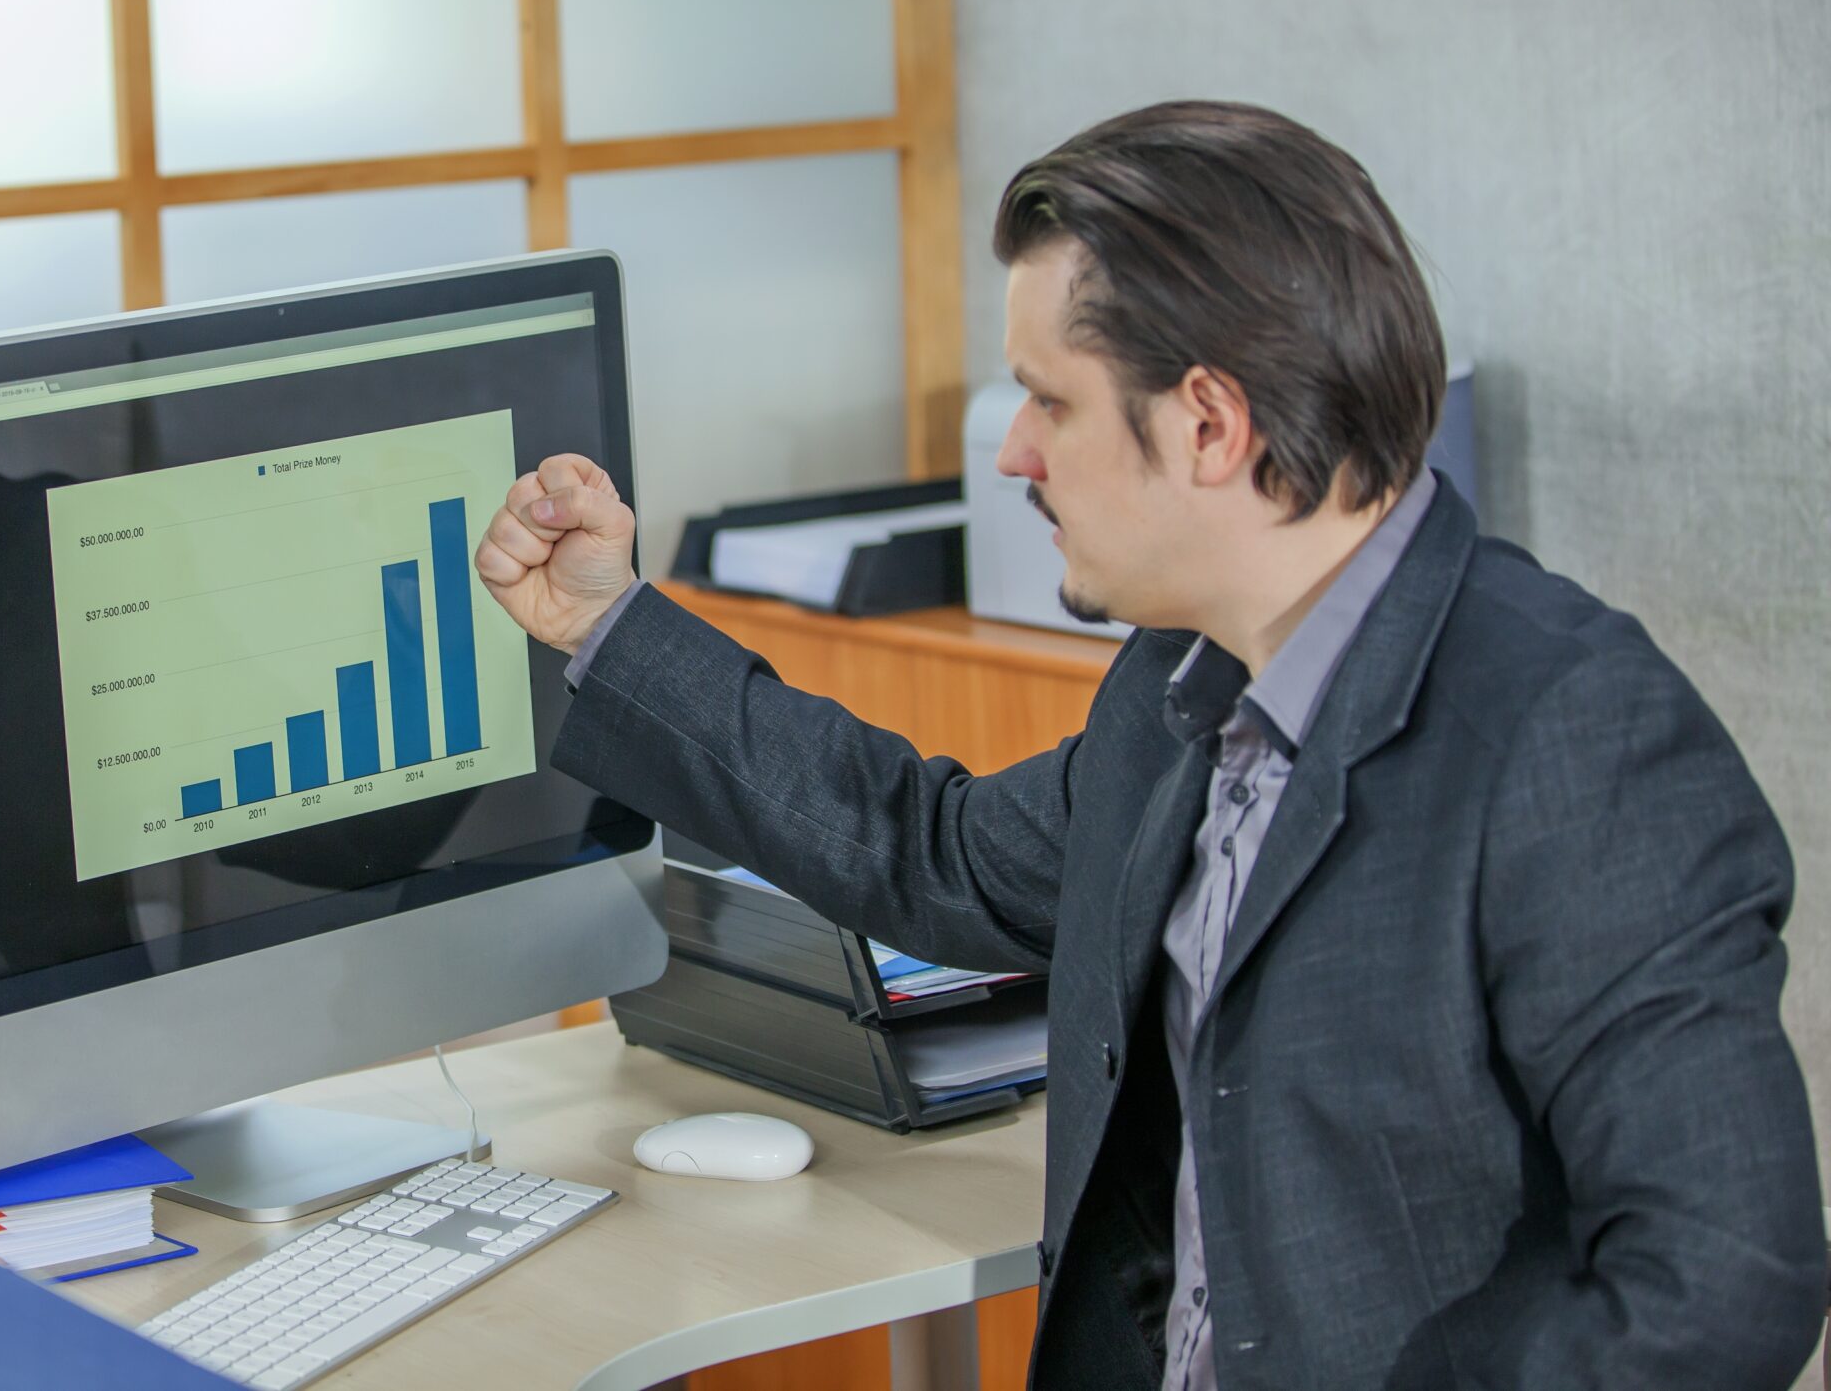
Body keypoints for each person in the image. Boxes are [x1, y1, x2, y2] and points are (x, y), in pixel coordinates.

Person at [475, 101, 1825, 1388]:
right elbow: (934, 849)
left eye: (1048, 404)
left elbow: (1722, 1279)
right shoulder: (1184, 675)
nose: (1014, 457)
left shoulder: (1577, 738)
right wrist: (610, 623)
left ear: (1209, 423)